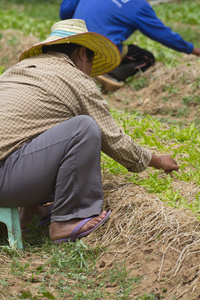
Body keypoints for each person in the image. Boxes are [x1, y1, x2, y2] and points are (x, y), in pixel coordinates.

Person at [0, 19, 179, 244]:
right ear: (82, 54)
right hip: (6, 179)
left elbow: (25, 135)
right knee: (82, 128)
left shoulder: (15, 72)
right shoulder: (75, 78)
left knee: (42, 126)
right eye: (92, 64)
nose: (91, 74)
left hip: (9, 172)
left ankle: (30, 211)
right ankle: (66, 221)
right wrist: (157, 161)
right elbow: (113, 140)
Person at [60, 0, 200, 91]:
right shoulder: (138, 5)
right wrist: (193, 50)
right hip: (100, 51)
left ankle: (81, 67)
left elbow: (65, 11)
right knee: (146, 57)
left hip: (68, 44)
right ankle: (107, 74)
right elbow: (163, 35)